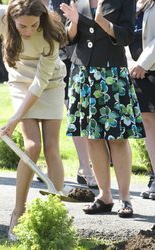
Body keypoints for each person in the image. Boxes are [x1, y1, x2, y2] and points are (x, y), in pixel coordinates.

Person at [0, 0, 67, 240]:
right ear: (13, 19)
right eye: (22, 26)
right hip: (19, 80)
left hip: (50, 84)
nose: (27, 31)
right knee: (32, 146)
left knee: (51, 148)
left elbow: (41, 82)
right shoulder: (0, 14)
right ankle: (19, 212)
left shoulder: (53, 31)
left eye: (33, 25)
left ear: (42, 19)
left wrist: (15, 118)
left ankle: (52, 212)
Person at [61, 0, 145, 218]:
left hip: (111, 76)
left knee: (118, 139)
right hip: (82, 74)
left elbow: (127, 36)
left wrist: (103, 23)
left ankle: (125, 198)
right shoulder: (77, 1)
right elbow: (68, 40)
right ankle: (104, 196)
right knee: (92, 137)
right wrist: (72, 24)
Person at [51, 0, 97, 189]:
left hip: (85, 53)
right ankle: (85, 168)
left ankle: (87, 167)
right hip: (62, 55)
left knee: (85, 113)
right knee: (74, 112)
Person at [129, 0, 155, 200]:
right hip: (140, 73)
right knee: (148, 123)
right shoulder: (134, 3)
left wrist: (143, 63)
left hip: (146, 67)